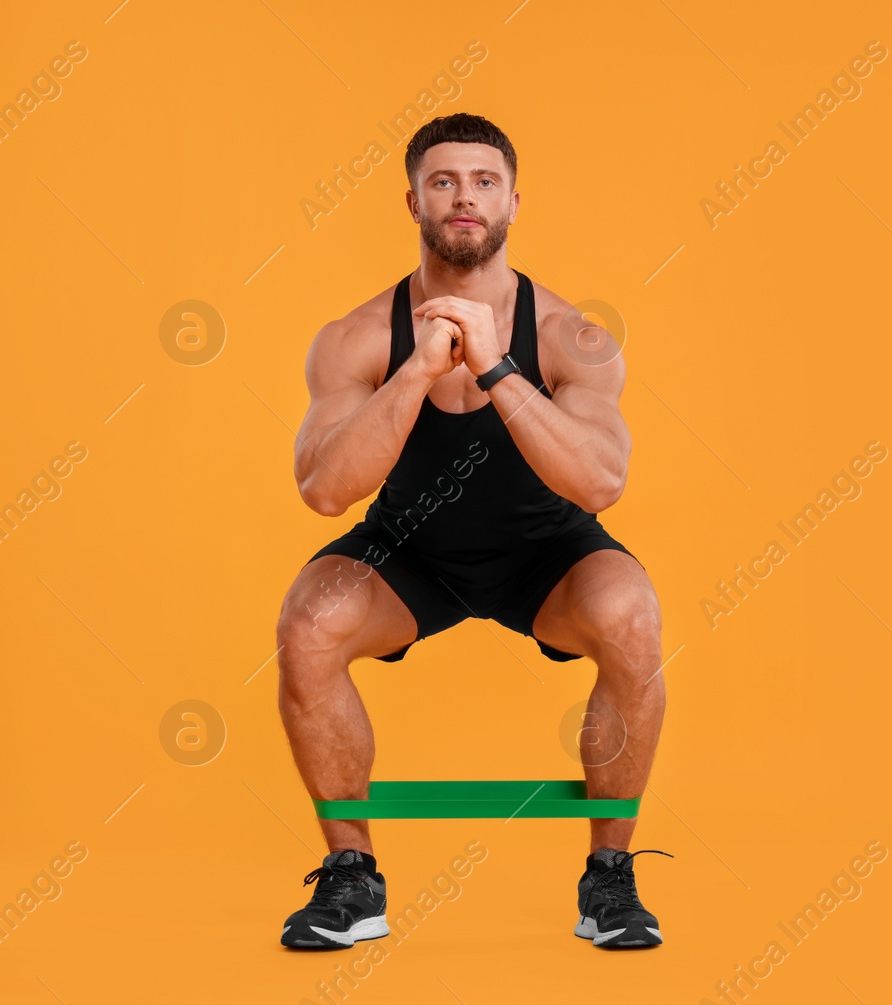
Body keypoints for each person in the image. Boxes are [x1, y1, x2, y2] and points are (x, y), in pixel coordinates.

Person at [273, 113, 669, 951]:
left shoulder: (572, 337)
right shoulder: (355, 337)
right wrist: (417, 369)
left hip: (546, 556)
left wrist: (495, 365)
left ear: (513, 202)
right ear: (412, 199)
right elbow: (322, 490)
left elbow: (602, 482)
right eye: (444, 181)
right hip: (411, 553)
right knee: (307, 625)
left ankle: (609, 880)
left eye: (483, 182)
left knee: (633, 616)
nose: (464, 198)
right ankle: (352, 878)